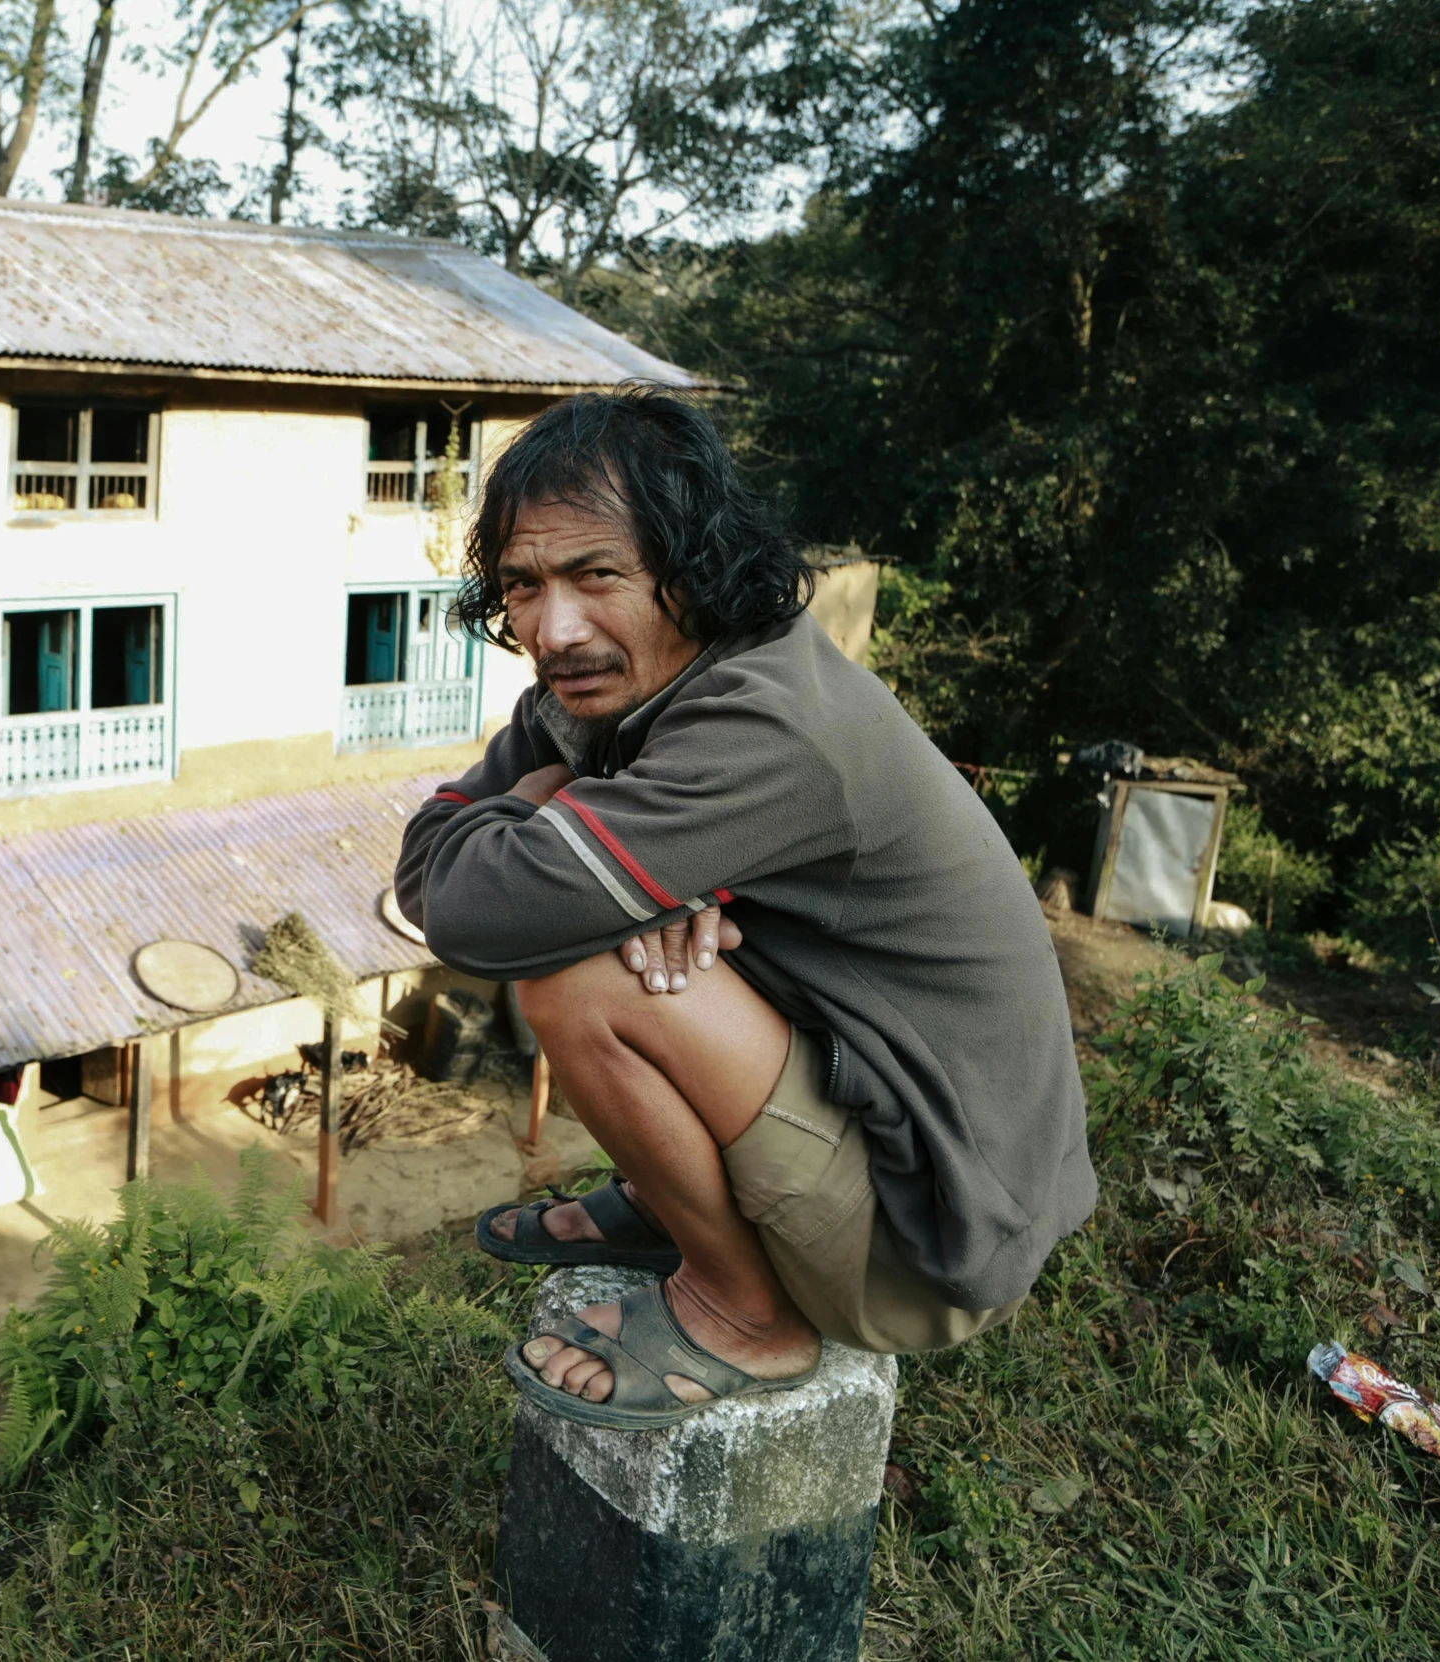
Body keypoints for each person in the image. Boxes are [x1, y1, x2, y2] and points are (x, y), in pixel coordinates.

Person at [394, 389, 1093, 1428]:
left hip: (927, 1243)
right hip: (865, 1117)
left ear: (692, 568)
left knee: (576, 974)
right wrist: (624, 850)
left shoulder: (765, 726)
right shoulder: (609, 689)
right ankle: (668, 1208)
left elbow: (469, 911)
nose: (552, 628)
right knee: (599, 920)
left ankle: (741, 1318)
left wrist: (565, 821)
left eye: (596, 575)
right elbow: (426, 867)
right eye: (522, 585)